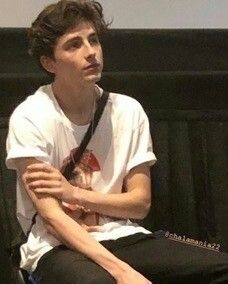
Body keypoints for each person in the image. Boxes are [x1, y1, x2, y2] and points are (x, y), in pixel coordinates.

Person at [6, 1, 228, 283]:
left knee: (221, 265)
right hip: (56, 246)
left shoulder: (127, 110)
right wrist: (123, 272)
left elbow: (139, 204)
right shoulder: (31, 116)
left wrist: (73, 194)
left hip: (121, 235)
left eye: (93, 40)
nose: (91, 52)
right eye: (74, 45)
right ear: (49, 63)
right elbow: (52, 217)